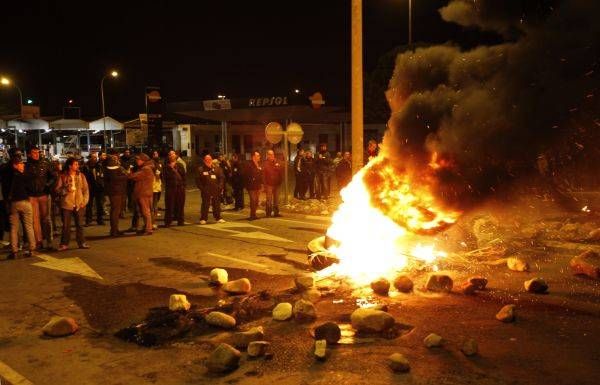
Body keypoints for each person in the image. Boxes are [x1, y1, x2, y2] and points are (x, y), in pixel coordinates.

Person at [24, 146, 56, 250]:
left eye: (38, 152)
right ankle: (39, 241)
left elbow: (53, 176)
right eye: (34, 152)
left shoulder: (45, 163)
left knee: (46, 218)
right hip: (32, 196)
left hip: (44, 194)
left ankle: (49, 241)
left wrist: (47, 185)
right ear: (29, 154)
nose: (37, 154)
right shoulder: (26, 166)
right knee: (35, 220)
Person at [55, 157, 90, 251]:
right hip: (67, 204)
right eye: (75, 164)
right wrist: (66, 190)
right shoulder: (63, 176)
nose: (77, 166)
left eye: (77, 164)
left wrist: (84, 202)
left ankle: (81, 242)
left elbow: (86, 190)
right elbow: (57, 190)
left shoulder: (81, 176)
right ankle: (64, 243)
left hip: (79, 203)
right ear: (70, 166)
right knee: (66, 225)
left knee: (80, 224)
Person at [7, 158, 37, 259]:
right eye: (21, 164)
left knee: (14, 228)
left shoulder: (8, 176)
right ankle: (32, 249)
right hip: (25, 202)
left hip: (14, 203)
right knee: (29, 226)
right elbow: (32, 186)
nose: (23, 166)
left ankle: (14, 251)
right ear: (15, 165)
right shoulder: (23, 176)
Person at [128, 153, 155, 235]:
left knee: (145, 212)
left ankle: (148, 229)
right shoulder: (145, 168)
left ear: (143, 160)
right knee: (146, 212)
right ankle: (147, 227)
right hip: (145, 192)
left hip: (143, 193)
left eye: (138, 160)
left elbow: (132, 177)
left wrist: (129, 172)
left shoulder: (145, 169)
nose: (137, 161)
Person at [196, 154, 225, 225]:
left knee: (217, 204)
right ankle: (203, 218)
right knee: (205, 204)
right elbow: (198, 180)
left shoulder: (217, 169)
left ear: (212, 160)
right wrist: (202, 189)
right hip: (206, 190)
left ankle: (218, 217)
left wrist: (220, 187)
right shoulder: (201, 169)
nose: (208, 161)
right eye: (206, 160)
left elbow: (221, 178)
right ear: (204, 161)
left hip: (216, 190)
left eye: (209, 160)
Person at [104, 155, 128, 237]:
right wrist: (125, 176)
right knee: (115, 211)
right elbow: (118, 178)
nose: (117, 160)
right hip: (116, 192)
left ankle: (114, 229)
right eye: (115, 159)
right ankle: (114, 230)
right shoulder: (113, 169)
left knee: (115, 210)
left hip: (114, 192)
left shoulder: (109, 169)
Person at [163, 150, 186, 227]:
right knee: (169, 205)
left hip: (180, 188)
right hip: (170, 188)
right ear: (168, 157)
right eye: (170, 155)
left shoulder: (180, 165)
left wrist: (183, 186)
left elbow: (184, 176)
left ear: (176, 156)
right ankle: (168, 222)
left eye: (173, 154)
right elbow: (165, 177)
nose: (171, 156)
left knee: (180, 204)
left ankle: (180, 220)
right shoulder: (166, 166)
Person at [82, 152, 105, 226]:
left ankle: (100, 219)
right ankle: (88, 220)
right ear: (90, 158)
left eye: (95, 157)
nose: (95, 159)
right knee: (89, 205)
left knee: (100, 204)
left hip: (99, 188)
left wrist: (102, 184)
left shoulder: (99, 165)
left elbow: (102, 175)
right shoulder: (86, 167)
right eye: (93, 157)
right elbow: (84, 177)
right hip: (90, 188)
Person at [263, 149, 283, 217]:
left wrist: (280, 180)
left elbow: (281, 172)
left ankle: (276, 213)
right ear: (267, 155)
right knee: (269, 199)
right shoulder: (265, 163)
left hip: (277, 184)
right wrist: (265, 185)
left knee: (276, 199)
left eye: (273, 154)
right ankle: (268, 213)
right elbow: (263, 175)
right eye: (270, 154)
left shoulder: (277, 162)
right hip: (269, 185)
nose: (272, 155)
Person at [244, 151, 263, 220]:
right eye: (258, 156)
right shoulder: (249, 164)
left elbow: (261, 174)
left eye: (259, 156)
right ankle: (252, 215)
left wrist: (262, 184)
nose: (259, 157)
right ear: (253, 157)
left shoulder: (259, 164)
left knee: (257, 200)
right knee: (253, 200)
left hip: (257, 185)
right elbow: (246, 175)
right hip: (251, 186)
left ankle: (254, 214)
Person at [120, 148, 135, 216]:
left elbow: (133, 167)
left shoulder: (132, 159)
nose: (127, 153)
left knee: (131, 194)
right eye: (126, 152)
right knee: (124, 195)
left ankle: (130, 207)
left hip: (130, 180)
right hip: (123, 180)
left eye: (128, 152)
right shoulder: (121, 159)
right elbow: (122, 167)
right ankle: (123, 209)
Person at [151, 150, 163, 226]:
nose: (156, 155)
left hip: (158, 185)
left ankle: (153, 220)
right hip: (153, 186)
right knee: (154, 203)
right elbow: (156, 173)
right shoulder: (152, 163)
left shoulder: (159, 163)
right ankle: (153, 222)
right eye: (154, 154)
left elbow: (160, 172)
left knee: (156, 201)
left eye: (157, 153)